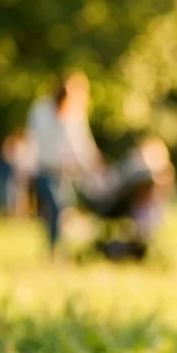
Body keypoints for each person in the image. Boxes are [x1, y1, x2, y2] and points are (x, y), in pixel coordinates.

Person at [25, 72, 102, 255]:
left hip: (65, 173)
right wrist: (27, 170)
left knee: (62, 209)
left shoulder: (75, 114)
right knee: (55, 206)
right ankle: (54, 248)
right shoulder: (40, 111)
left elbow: (83, 145)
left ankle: (57, 248)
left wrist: (93, 167)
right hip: (44, 169)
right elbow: (32, 141)